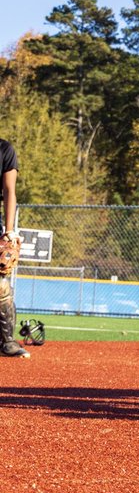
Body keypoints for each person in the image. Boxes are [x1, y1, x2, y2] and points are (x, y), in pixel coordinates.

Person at [0, 137, 25, 358]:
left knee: (0, 284)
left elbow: (9, 191)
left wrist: (9, 230)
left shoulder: (4, 149)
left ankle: (7, 341)